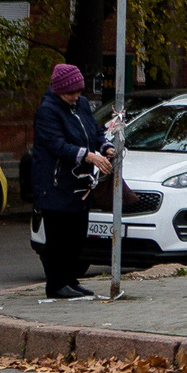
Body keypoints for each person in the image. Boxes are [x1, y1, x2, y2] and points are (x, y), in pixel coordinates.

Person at [29, 63, 116, 301]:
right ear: (58, 90)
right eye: (70, 93)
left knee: (77, 236)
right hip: (55, 183)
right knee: (59, 237)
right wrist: (88, 155)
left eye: (78, 91)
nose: (75, 96)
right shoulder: (48, 111)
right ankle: (56, 284)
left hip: (80, 183)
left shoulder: (82, 105)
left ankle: (69, 280)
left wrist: (105, 147)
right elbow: (55, 144)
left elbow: (95, 132)